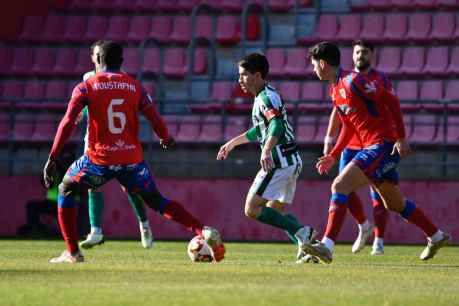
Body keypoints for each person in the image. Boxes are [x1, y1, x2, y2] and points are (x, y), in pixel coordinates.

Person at [43, 41, 225, 263]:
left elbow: (68, 122)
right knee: (157, 201)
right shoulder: (135, 87)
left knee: (66, 188)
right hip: (132, 160)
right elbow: (155, 118)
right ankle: (201, 229)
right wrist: (165, 138)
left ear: (98, 60)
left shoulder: (86, 86)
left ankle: (73, 253)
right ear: (121, 62)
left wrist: (53, 157)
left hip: (99, 160)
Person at [303, 41, 450, 264]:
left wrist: (401, 138)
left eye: (314, 65)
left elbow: (392, 100)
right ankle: (437, 236)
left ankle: (327, 246)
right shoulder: (335, 90)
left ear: (323, 64)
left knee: (339, 186)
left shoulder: (354, 81)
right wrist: (333, 154)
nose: (313, 69)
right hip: (371, 146)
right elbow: (349, 126)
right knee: (394, 204)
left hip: (383, 145)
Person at [217, 53, 326, 262]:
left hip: (279, 161)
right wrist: (232, 143)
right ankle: (305, 251)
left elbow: (277, 124)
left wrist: (266, 150)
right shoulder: (263, 96)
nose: (239, 79)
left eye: (244, 75)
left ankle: (304, 234)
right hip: (291, 160)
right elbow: (260, 130)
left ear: (257, 75)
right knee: (274, 210)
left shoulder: (266, 98)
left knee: (251, 208)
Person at [79, 40, 154, 250]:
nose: (96, 57)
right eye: (94, 54)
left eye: (98, 53)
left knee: (130, 188)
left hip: (120, 142)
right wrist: (80, 113)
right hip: (94, 141)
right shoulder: (87, 79)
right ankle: (95, 231)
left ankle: (144, 224)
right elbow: (90, 107)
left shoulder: (121, 79)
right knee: (93, 185)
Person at [322, 40, 391, 256]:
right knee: (343, 187)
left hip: (374, 143)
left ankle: (378, 240)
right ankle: (363, 225)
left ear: (373, 55)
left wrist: (395, 137)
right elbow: (339, 111)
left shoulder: (379, 80)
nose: (361, 56)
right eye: (357, 52)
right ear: (352, 56)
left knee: (380, 193)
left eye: (365, 52)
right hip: (351, 144)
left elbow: (388, 105)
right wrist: (329, 137)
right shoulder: (343, 81)